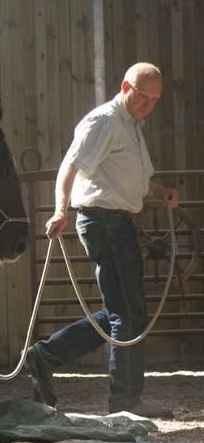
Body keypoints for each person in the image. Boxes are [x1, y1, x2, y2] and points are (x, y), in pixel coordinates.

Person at [26, 62, 179, 418]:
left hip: (118, 221)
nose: (149, 106)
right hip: (103, 221)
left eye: (155, 100)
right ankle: (125, 401)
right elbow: (70, 166)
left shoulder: (133, 127)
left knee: (121, 312)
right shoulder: (104, 121)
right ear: (126, 87)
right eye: (144, 97)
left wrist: (161, 192)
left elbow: (133, 183)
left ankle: (47, 355)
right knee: (128, 312)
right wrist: (60, 210)